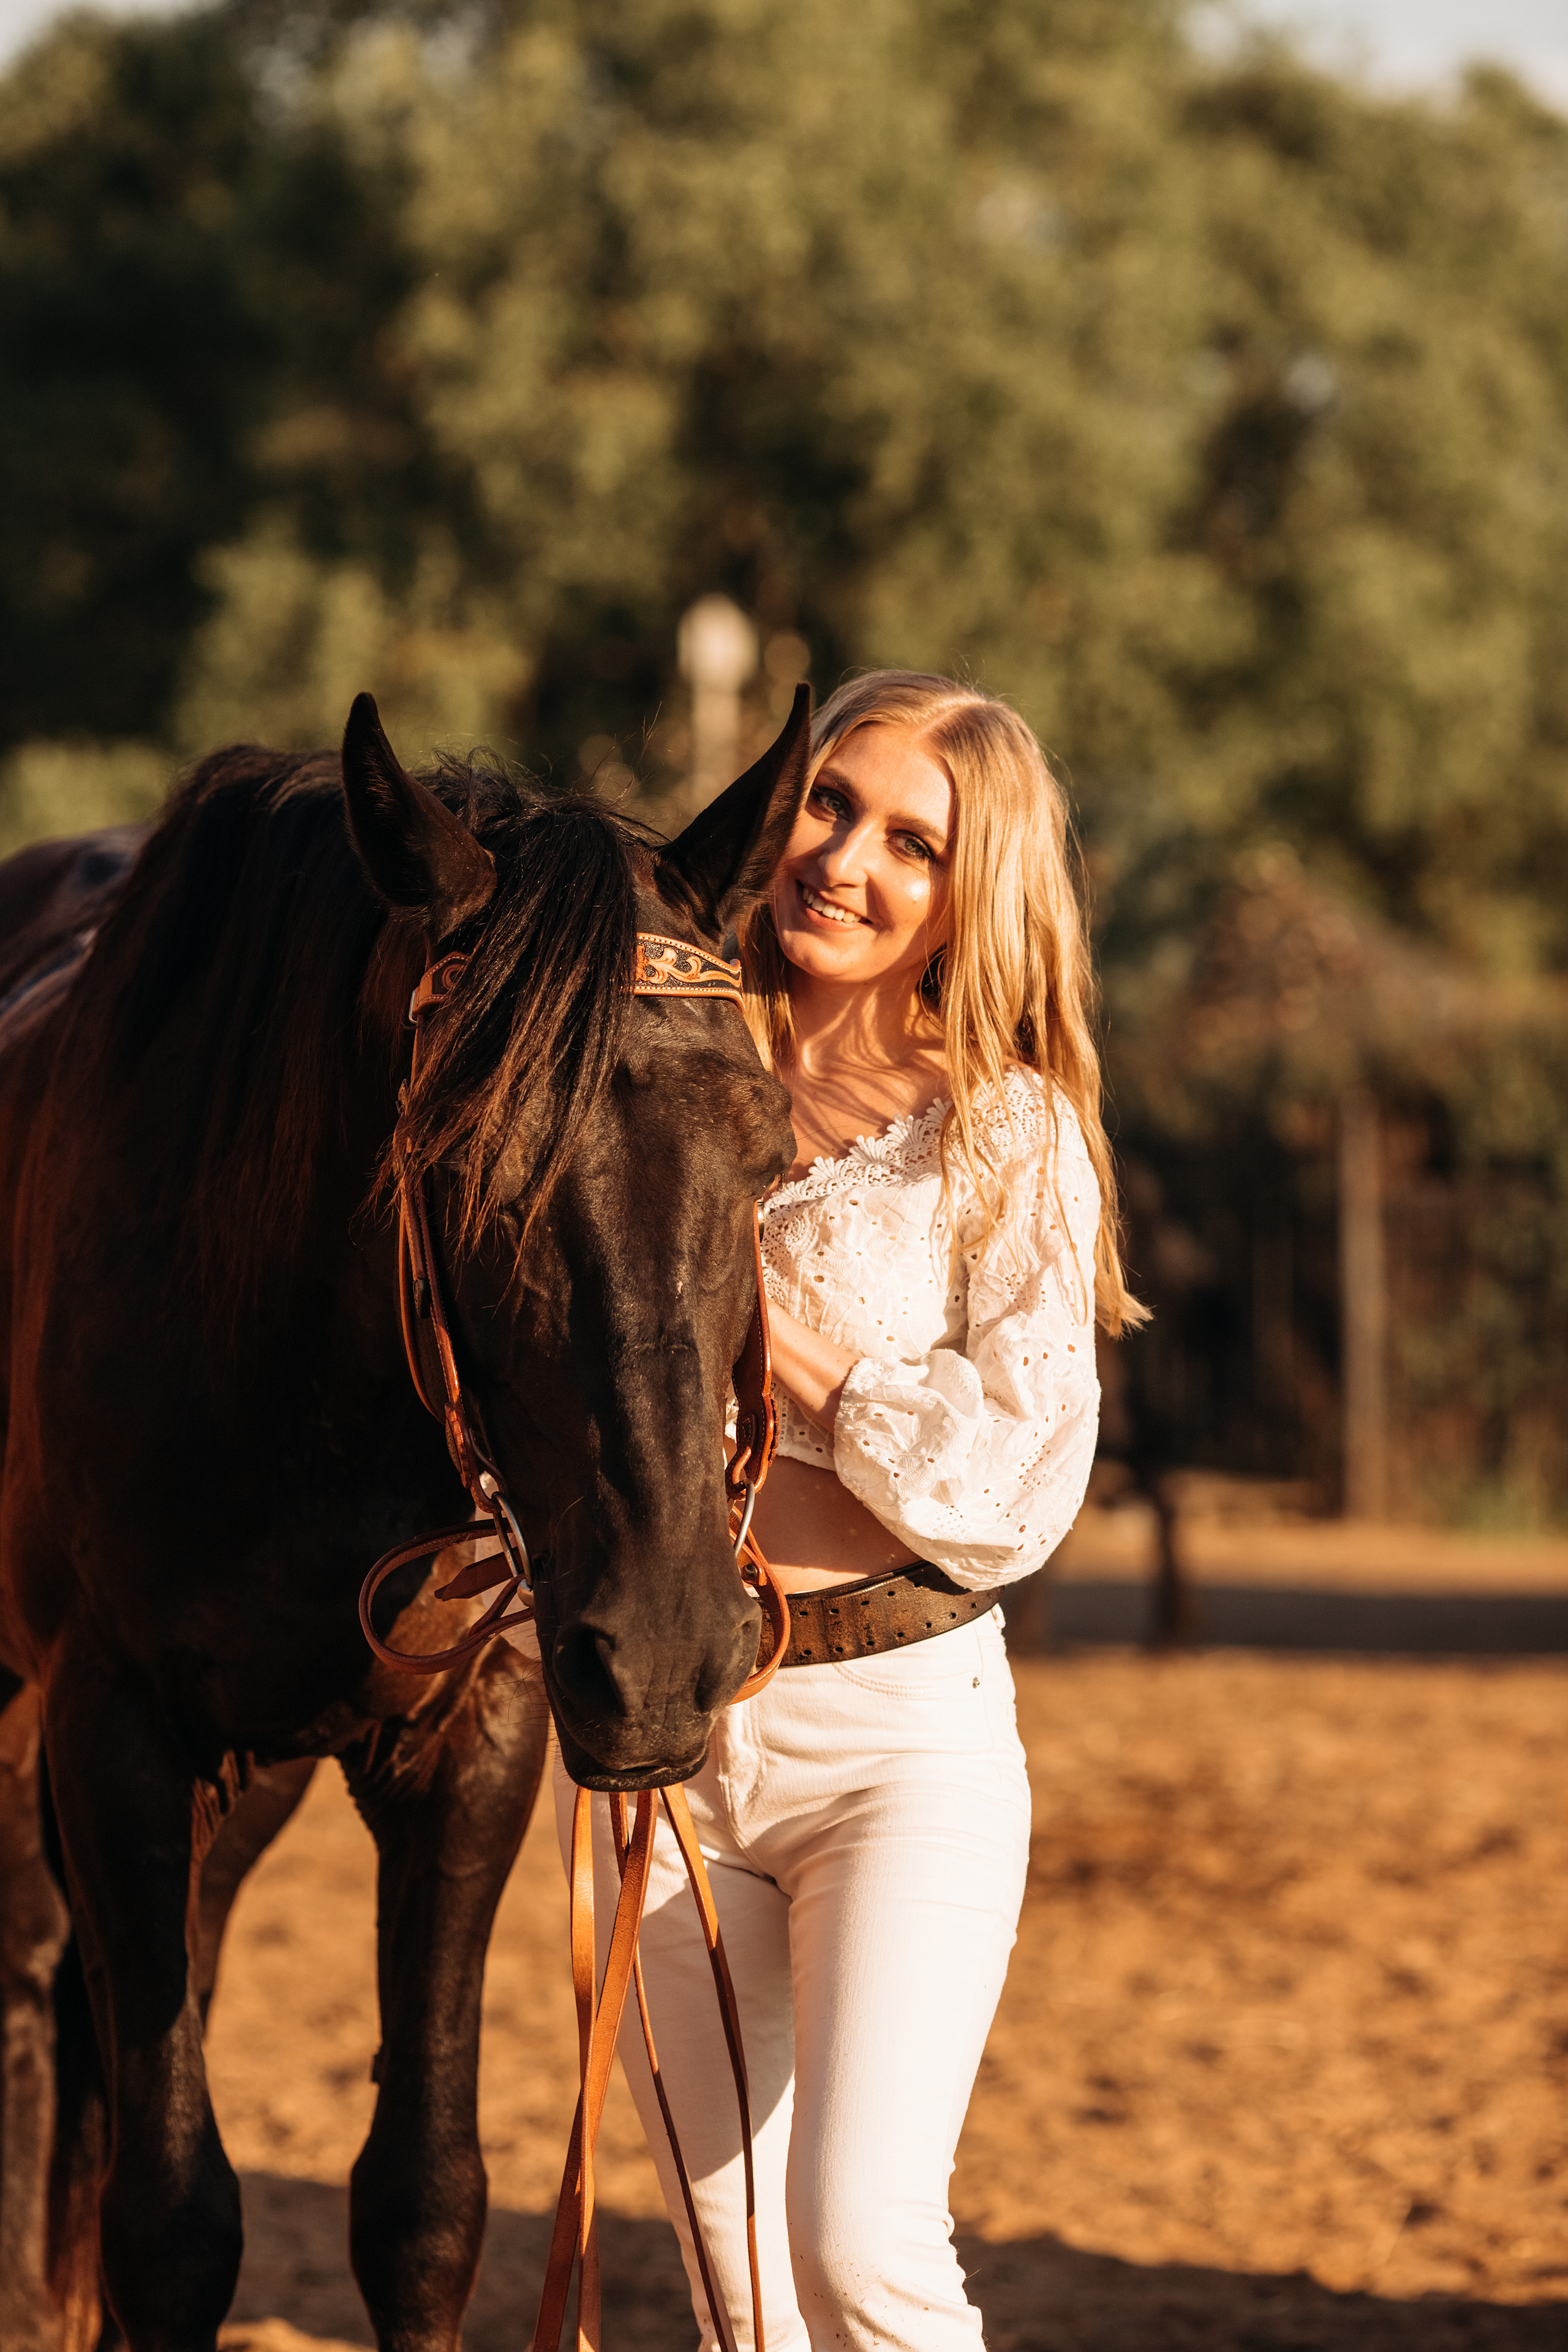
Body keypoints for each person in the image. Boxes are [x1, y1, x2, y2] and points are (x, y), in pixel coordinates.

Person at [553, 670, 1143, 2351]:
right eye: (828, 804)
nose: (844, 860)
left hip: (898, 1741)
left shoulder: (1008, 1131)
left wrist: (776, 1340)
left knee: (863, 2252)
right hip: (673, 1733)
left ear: (971, 892)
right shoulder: (650, 1067)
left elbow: (1013, 1487)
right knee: (739, 2294)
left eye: (911, 842)